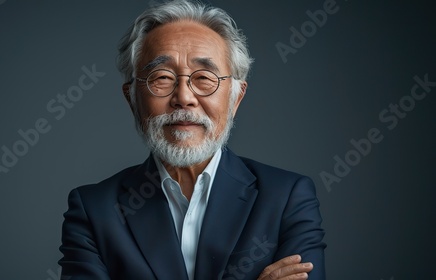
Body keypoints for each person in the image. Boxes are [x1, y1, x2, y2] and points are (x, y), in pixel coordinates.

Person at [58, 1, 326, 279]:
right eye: (161, 77)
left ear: (236, 98)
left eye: (204, 78)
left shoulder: (287, 197)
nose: (184, 98)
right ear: (132, 99)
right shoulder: (95, 210)